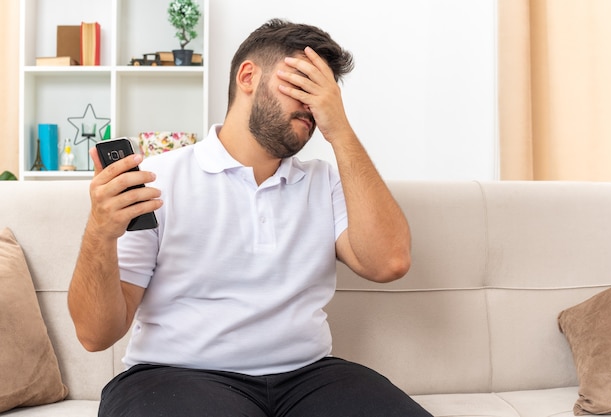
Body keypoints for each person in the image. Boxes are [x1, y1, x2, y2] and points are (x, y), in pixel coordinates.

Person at [68, 18, 433, 417]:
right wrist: (99, 233)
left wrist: (340, 130)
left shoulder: (325, 181)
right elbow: (94, 335)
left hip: (308, 376)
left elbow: (389, 262)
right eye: (304, 84)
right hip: (177, 376)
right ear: (248, 76)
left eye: (326, 94)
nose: (315, 104)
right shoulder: (158, 179)